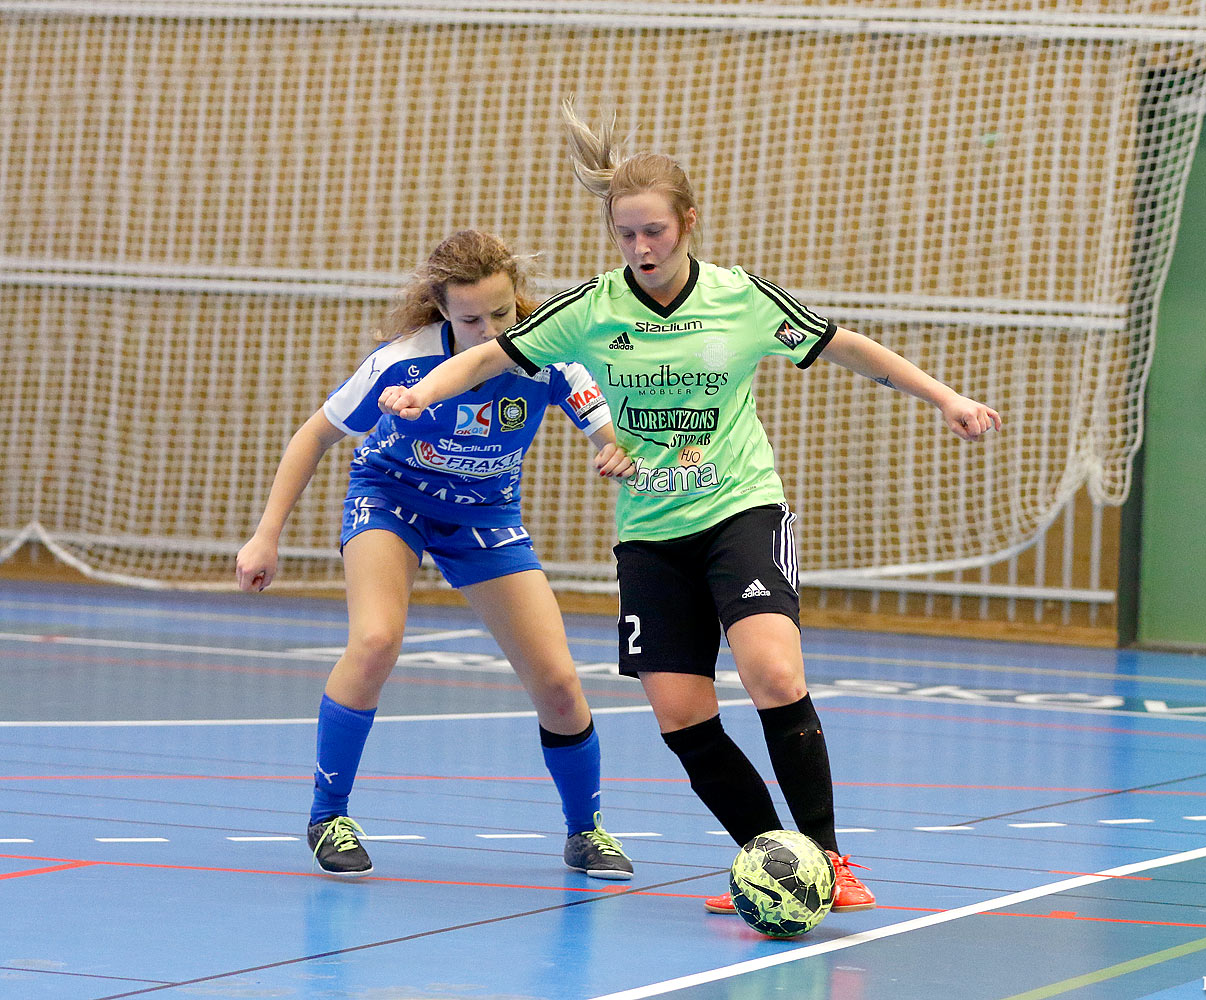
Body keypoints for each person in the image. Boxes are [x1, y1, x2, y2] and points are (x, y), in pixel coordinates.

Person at [378, 107, 1000, 915]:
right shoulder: (593, 309)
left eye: (656, 233)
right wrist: (419, 391)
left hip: (740, 509)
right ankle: (771, 864)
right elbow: (491, 355)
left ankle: (828, 859)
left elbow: (844, 345)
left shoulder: (739, 299)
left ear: (688, 224)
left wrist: (944, 397)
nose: (642, 250)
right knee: (680, 711)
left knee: (773, 672)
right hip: (650, 531)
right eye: (627, 235)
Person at [236, 229, 637, 881]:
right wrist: (266, 534)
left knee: (561, 685)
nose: (488, 330)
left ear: (519, 299)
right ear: (442, 309)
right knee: (374, 641)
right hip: (393, 501)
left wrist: (616, 450)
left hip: (485, 516)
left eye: (502, 314)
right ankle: (327, 814)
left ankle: (585, 831)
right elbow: (315, 435)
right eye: (471, 317)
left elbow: (609, 428)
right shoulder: (404, 362)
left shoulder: (552, 355)